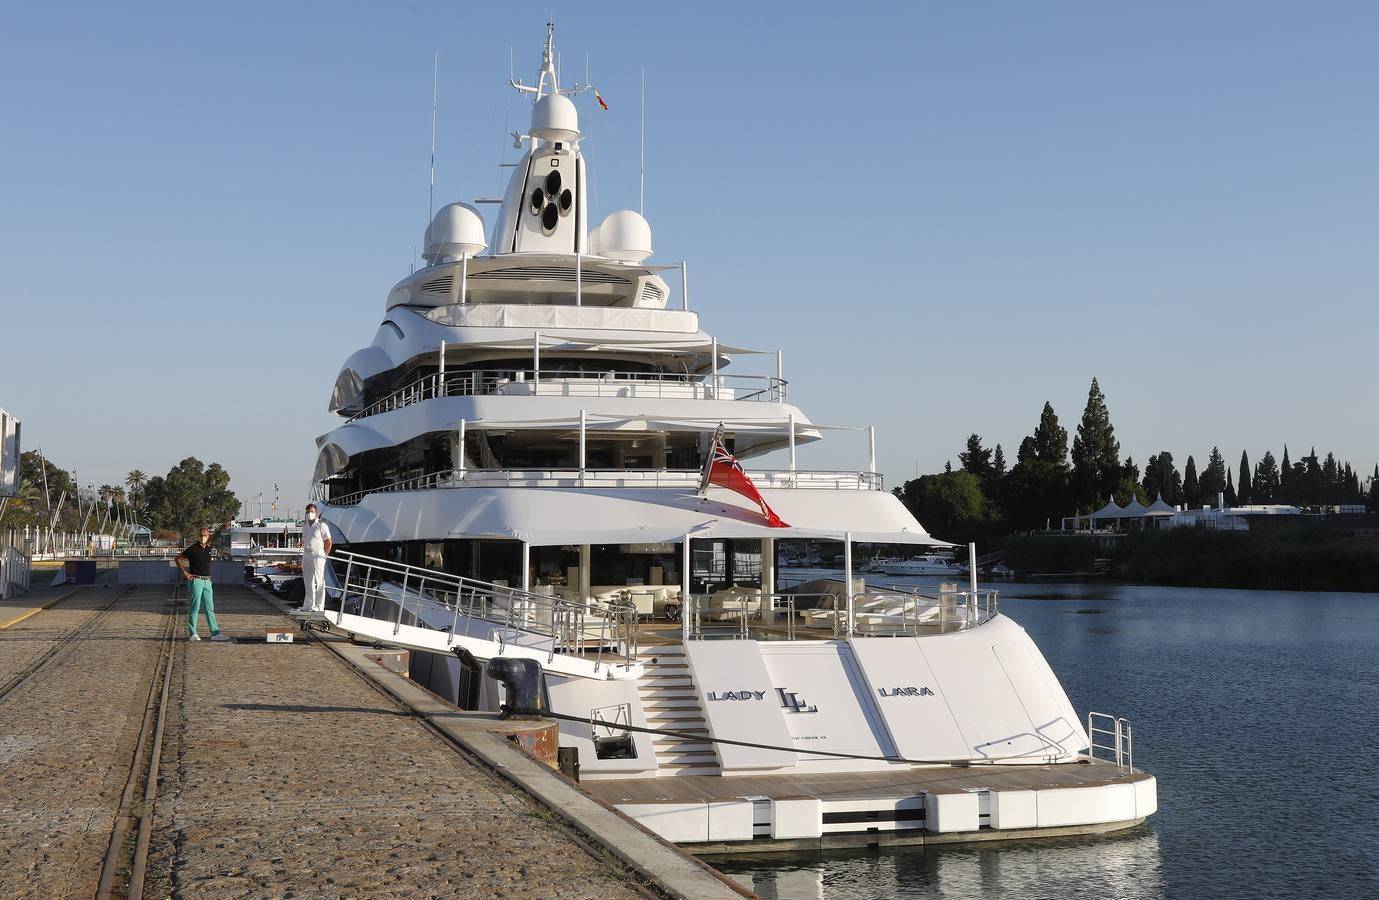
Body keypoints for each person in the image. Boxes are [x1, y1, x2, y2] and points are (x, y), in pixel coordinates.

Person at [176, 527, 230, 641]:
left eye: (205, 536)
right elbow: (178, 559)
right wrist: (185, 573)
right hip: (196, 580)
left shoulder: (209, 549)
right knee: (195, 607)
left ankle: (215, 633)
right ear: (197, 536)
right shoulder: (192, 549)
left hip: (207, 581)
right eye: (201, 535)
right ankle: (193, 633)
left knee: (210, 608)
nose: (203, 538)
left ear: (208, 536)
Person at [301, 503, 333, 613]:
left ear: (316, 513)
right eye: (307, 511)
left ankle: (319, 606)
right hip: (307, 554)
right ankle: (308, 604)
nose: (309, 513)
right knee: (307, 580)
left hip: (318, 554)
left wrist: (325, 555)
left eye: (311, 511)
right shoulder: (304, 527)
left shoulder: (321, 525)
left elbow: (328, 542)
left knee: (319, 581)